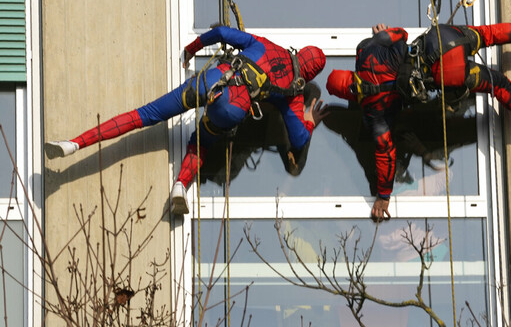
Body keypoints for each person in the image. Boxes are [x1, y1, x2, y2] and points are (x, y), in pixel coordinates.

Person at [45, 25, 328, 214]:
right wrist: (309, 119)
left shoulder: (265, 44)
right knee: (201, 141)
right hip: (232, 111)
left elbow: (220, 32)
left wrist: (192, 48)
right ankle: (180, 185)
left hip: (213, 82)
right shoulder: (293, 91)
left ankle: (73, 144)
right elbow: (300, 139)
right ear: (310, 74)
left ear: (299, 51)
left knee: (144, 115)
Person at [326, 22, 511, 220]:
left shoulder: (374, 113)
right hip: (440, 42)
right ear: (348, 73)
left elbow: (385, 153)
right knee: (490, 34)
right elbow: (400, 34)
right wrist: (380, 36)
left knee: (499, 85)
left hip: (447, 75)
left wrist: (383, 195)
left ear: (348, 96)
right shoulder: (369, 51)